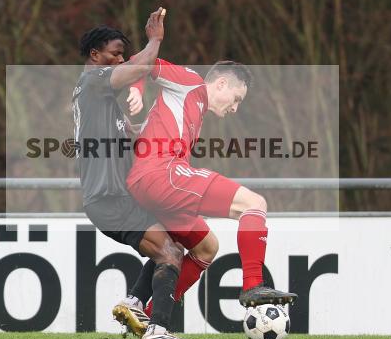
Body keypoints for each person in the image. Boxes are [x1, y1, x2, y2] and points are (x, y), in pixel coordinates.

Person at [74, 8, 217, 339]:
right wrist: (154, 41)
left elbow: (135, 138)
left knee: (174, 242)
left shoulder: (103, 103)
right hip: (109, 199)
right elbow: (139, 68)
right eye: (115, 54)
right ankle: (157, 330)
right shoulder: (91, 82)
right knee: (169, 253)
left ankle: (134, 303)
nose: (121, 60)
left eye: (123, 54)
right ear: (95, 56)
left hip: (118, 197)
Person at [127, 59, 298, 307]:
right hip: (162, 176)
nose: (235, 108)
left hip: (149, 183)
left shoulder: (190, 110)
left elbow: (150, 133)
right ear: (221, 83)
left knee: (206, 248)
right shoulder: (191, 83)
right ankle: (253, 285)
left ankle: (146, 314)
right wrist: (136, 89)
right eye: (237, 98)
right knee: (253, 203)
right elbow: (144, 61)